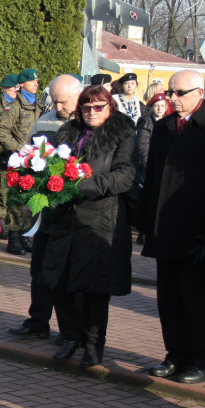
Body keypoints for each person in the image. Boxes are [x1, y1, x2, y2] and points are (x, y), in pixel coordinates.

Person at [142, 69, 205, 383]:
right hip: (166, 228)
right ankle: (176, 354)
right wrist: (148, 221)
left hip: (198, 230)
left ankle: (204, 360)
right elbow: (153, 178)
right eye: (170, 92)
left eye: (179, 93)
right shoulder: (165, 127)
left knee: (194, 300)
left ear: (199, 93)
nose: (172, 98)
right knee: (168, 298)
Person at [43, 86, 136, 367]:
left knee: (95, 288)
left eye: (98, 107)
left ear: (110, 108)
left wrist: (83, 186)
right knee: (59, 280)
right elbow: (51, 165)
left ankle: (94, 344)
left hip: (100, 220)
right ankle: (71, 336)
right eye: (86, 107)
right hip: (65, 218)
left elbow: (125, 174)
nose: (92, 112)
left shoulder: (122, 133)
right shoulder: (67, 133)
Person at [7, 74, 83, 340]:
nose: (59, 107)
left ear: (78, 96)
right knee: (38, 266)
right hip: (45, 208)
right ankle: (37, 320)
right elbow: (29, 158)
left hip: (73, 210)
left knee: (64, 271)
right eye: (55, 101)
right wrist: (28, 199)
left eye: (64, 102)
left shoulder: (88, 123)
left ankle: (69, 329)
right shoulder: (45, 120)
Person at [0, 68, 43, 255]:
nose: (36, 84)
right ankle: (13, 238)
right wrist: (19, 148)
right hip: (16, 160)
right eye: (32, 81)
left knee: (29, 201)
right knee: (14, 201)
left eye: (37, 81)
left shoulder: (38, 105)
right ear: (21, 85)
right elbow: (0, 132)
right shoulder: (14, 106)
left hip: (34, 161)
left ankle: (23, 235)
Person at [0, 73, 20, 242]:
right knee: (2, 194)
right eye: (12, 88)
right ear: (4, 89)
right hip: (4, 156)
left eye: (16, 88)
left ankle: (10, 225)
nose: (15, 90)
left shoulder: (19, 107)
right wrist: (3, 151)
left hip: (17, 156)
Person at [135, 92, 169, 178]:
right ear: (152, 108)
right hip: (150, 166)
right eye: (156, 106)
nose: (159, 109)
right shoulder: (146, 123)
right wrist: (149, 167)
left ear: (166, 107)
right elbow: (143, 147)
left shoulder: (169, 122)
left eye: (162, 106)